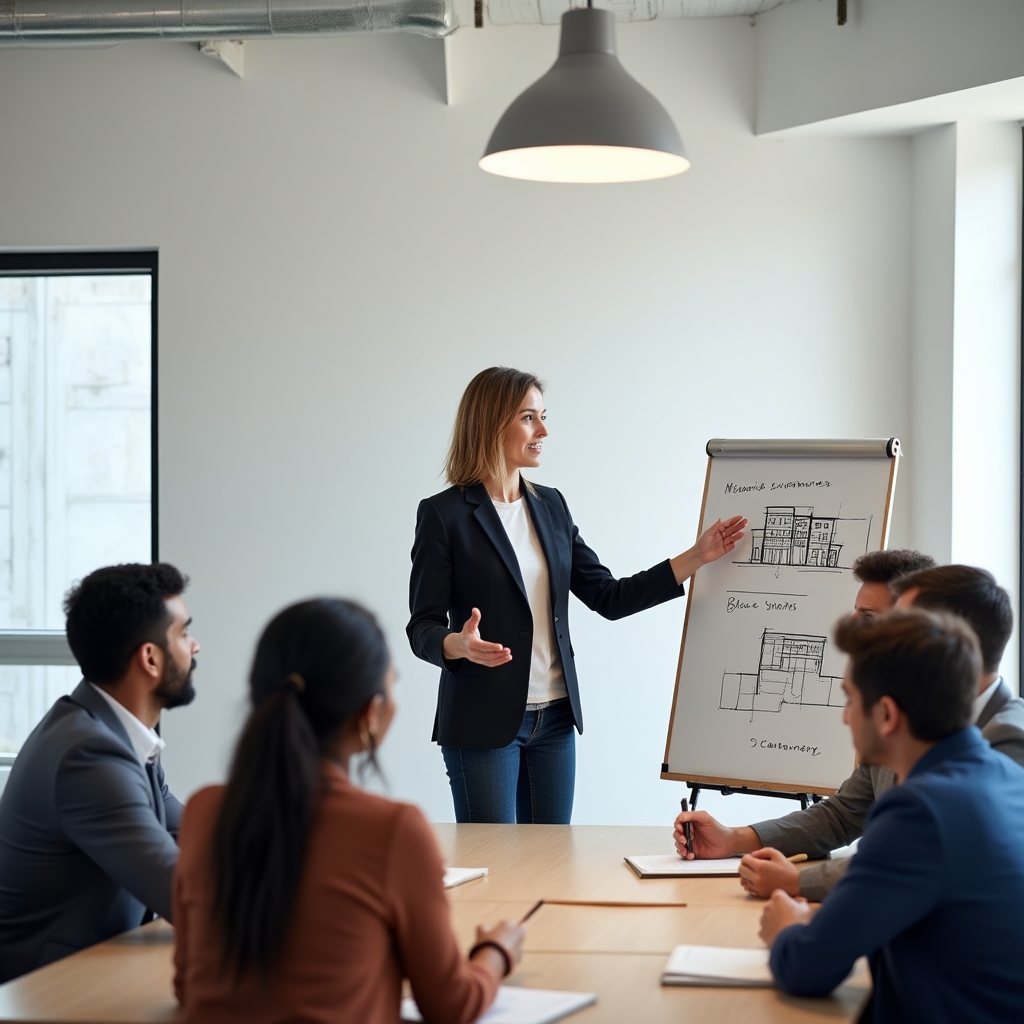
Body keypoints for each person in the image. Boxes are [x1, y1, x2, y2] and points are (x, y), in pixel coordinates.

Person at [407, 366, 745, 824]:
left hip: (556, 721)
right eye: (529, 418)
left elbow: (608, 596)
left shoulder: (552, 505)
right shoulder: (444, 515)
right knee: (500, 874)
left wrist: (696, 556)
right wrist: (456, 644)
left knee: (550, 868)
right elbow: (421, 626)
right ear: (490, 422)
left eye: (543, 416)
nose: (543, 431)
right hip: (483, 724)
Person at [174, 598, 524, 1024]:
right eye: (391, 683)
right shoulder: (393, 829)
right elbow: (451, 1006)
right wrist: (497, 951)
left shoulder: (203, 812)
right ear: (369, 713)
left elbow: (187, 984)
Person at [672, 555, 1024, 901]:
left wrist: (798, 883)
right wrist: (734, 839)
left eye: (870, 620)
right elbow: (841, 816)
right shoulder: (906, 719)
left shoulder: (1009, 740)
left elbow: (915, 859)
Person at [760, 610, 1024, 1023]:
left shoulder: (919, 811)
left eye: (850, 699)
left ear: (886, 714)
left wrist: (786, 931)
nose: (845, 716)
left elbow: (809, 968)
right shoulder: (1006, 775)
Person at [0, 563, 198, 982]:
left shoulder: (114, 734)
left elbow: (194, 836)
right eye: (183, 633)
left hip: (93, 974)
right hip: (45, 993)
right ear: (150, 658)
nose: (195, 647)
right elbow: (184, 895)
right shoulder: (88, 754)